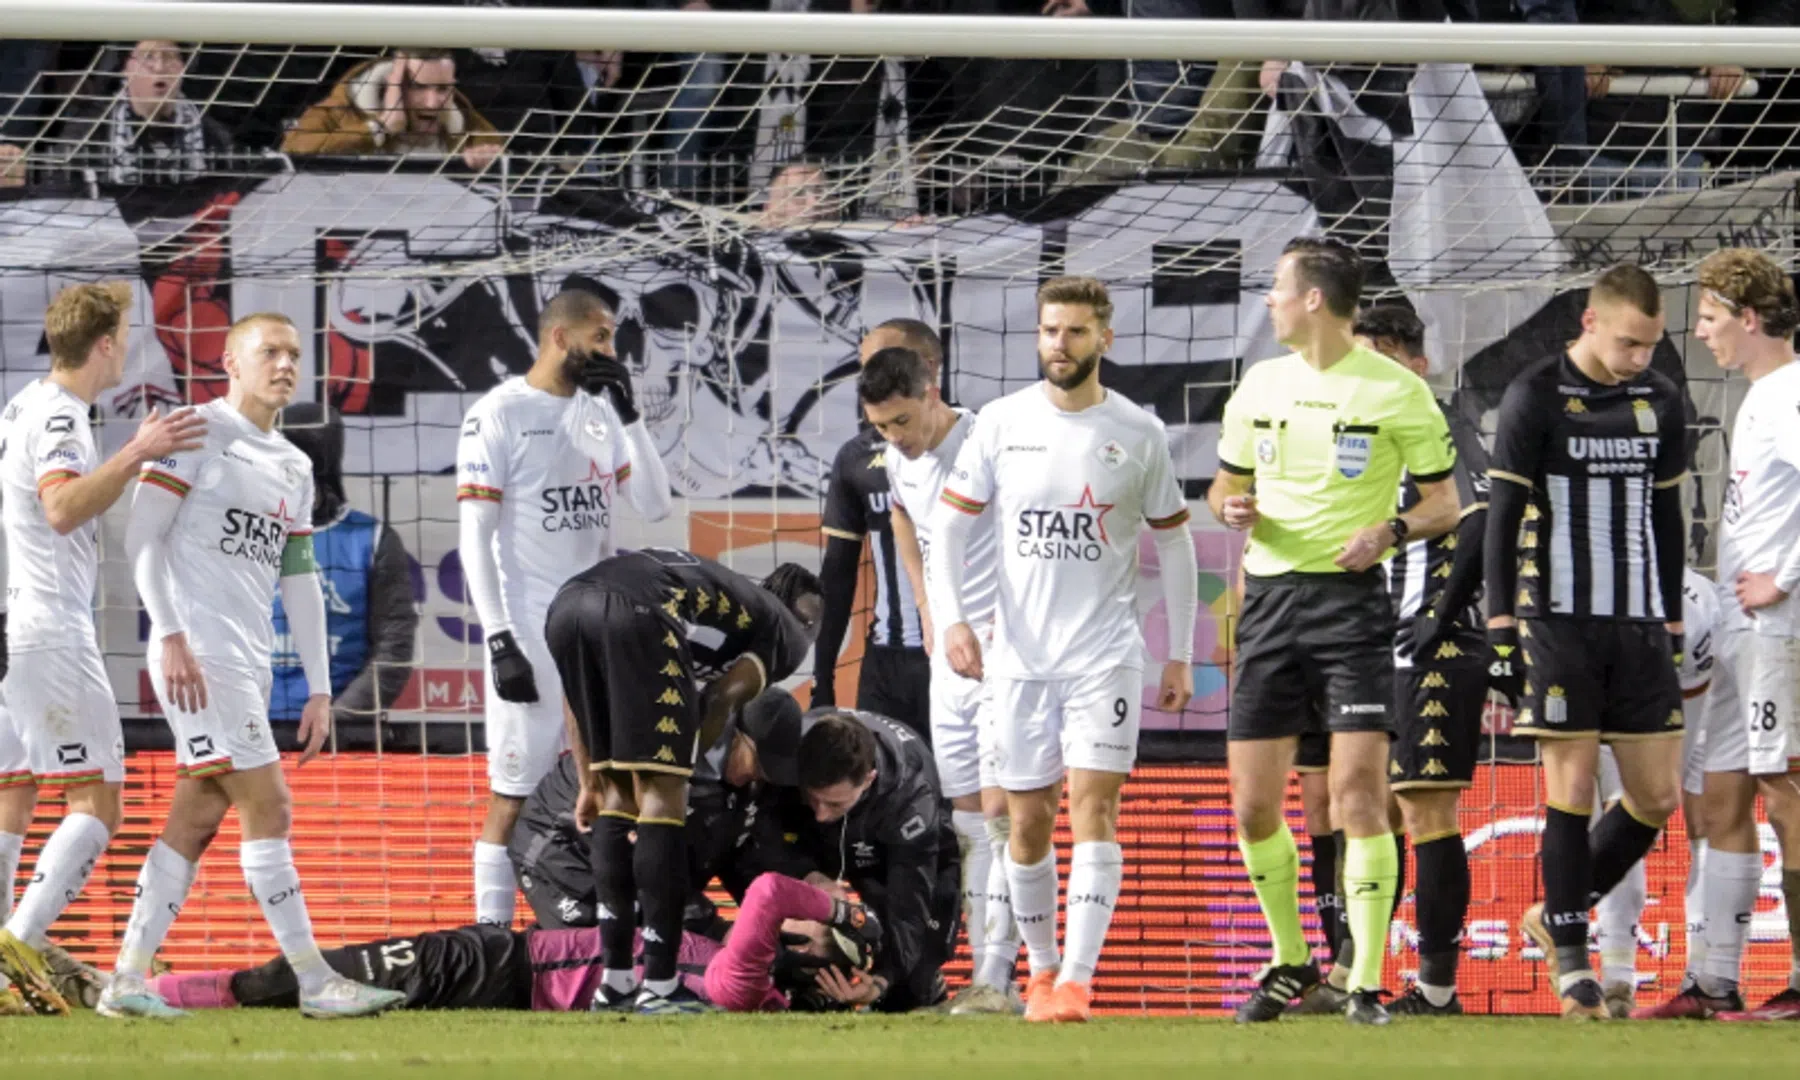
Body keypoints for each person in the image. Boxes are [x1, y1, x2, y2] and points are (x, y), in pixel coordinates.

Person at [97, 312, 404, 1020]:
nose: (286, 364)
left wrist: (323, 689)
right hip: (197, 655)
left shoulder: (293, 465)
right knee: (270, 804)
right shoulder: (192, 432)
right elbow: (141, 535)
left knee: (198, 813)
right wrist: (169, 633)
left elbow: (297, 575)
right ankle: (317, 980)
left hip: (247, 658)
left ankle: (126, 980)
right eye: (269, 351)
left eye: (294, 354)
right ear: (230, 362)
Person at [930, 275, 1198, 1024]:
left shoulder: (1137, 431)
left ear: (1104, 339)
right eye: (1051, 331)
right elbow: (948, 528)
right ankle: (1041, 973)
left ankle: (1077, 981)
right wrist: (952, 619)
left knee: (1096, 809)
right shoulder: (1001, 422)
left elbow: (1175, 542)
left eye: (1076, 332)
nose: (1060, 344)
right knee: (1026, 822)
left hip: (1104, 656)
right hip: (1015, 659)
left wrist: (1178, 651)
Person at [1209, 239, 1460, 1026]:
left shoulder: (1396, 391)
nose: (1268, 302)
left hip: (1352, 608)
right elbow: (1225, 484)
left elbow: (1445, 505)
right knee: (1253, 805)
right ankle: (1290, 960)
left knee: (1358, 797)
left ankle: (1364, 981)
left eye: (1277, 289)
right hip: (1271, 607)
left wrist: (1389, 530)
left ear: (1313, 299)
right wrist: (1231, 508)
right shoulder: (1259, 383)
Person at [1483, 263, 1688, 1021]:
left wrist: (1669, 622)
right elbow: (1501, 516)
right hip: (1559, 619)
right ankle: (1573, 964)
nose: (1641, 358)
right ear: (1590, 323)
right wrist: (1501, 628)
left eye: (1652, 345)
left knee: (1656, 794)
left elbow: (1667, 519)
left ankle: (1553, 910)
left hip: (1637, 623)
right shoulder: (1535, 394)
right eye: (1630, 343)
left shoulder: (1660, 400)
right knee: (1568, 789)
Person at [0, 282, 206, 1016]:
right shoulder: (59, 414)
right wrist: (139, 452)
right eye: (126, 331)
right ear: (107, 344)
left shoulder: (22, 402)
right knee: (99, 801)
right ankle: (17, 950)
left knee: (13, 795)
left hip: (13, 619)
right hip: (48, 624)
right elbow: (60, 508)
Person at [456, 287, 671, 929]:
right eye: (600, 337)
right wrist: (499, 639)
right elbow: (474, 535)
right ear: (560, 338)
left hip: (597, 629)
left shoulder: (601, 417)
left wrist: (630, 416)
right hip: (529, 628)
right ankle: (490, 942)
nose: (611, 350)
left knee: (606, 789)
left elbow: (656, 507)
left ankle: (597, 940)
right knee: (512, 796)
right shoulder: (498, 413)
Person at [544, 547, 820, 1014]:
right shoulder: (787, 634)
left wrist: (589, 778)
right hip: (640, 612)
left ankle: (615, 985)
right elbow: (719, 698)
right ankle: (661, 986)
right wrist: (676, 787)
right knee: (658, 798)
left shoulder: (732, 603)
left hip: (567, 604)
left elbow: (576, 700)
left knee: (615, 796)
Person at [1634, 248, 1800, 1021]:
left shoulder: (1791, 390)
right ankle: (1713, 981)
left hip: (1777, 627)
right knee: (1720, 797)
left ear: (1751, 317)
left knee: (1786, 791)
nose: (1700, 332)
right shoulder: (1761, 395)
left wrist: (1785, 577)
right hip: (1740, 628)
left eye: (1708, 317)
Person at [858, 344, 1019, 1014]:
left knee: (1008, 816)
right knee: (965, 825)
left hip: (1004, 655)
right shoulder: (900, 459)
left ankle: (1007, 976)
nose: (895, 438)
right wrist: (930, 609)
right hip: (946, 661)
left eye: (901, 421)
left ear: (933, 391)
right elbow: (900, 513)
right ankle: (978, 979)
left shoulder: (989, 445)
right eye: (881, 427)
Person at [143, 871, 883, 1016]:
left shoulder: (747, 985)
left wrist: (839, 917)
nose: (812, 915)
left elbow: (766, 895)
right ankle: (178, 990)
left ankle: (164, 992)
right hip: (508, 959)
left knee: (332, 970)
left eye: (819, 930)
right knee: (338, 974)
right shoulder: (740, 971)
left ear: (817, 957)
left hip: (508, 972)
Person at [1362, 305, 1491, 1016]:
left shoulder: (1438, 425)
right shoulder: (1369, 435)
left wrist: (1439, 618)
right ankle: (1360, 976)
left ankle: (1437, 992)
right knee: (1369, 806)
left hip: (1433, 646)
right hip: (1374, 648)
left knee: (1423, 807)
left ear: (1416, 362)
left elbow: (1481, 516)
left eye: (1379, 360)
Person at [506, 687, 806, 933]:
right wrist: (715, 929)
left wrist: (782, 911)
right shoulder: (665, 755)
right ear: (736, 736)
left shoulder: (744, 785)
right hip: (561, 849)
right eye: (759, 765)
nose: (760, 777)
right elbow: (652, 865)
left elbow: (737, 855)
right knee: (595, 964)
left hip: (630, 871)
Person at [1590, 566, 1717, 1018]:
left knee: (1632, 810)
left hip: (1681, 665)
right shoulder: (1695, 595)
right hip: (1671, 645)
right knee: (1703, 821)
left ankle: (1620, 977)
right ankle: (1703, 979)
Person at [813, 319, 939, 740]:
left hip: (960, 654)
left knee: (969, 798)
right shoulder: (857, 457)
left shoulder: (979, 443)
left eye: (881, 363)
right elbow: (837, 573)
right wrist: (822, 676)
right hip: (885, 662)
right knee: (883, 793)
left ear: (927, 368)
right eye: (864, 367)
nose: (869, 378)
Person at [268, 402, 418, 732]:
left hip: (341, 738)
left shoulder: (373, 540)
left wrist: (338, 720)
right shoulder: (241, 534)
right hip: (252, 731)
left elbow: (394, 648)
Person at [281, 47, 503, 170]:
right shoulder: (339, 111)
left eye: (443, 89)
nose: (432, 103)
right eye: (418, 87)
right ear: (391, 85)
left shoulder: (467, 124)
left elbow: (501, 159)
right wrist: (379, 129)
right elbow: (292, 151)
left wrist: (484, 162)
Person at [55, 40, 237, 185]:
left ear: (183, 68)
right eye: (148, 57)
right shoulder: (86, 132)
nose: (159, 67)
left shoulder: (212, 135)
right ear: (126, 68)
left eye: (170, 56)